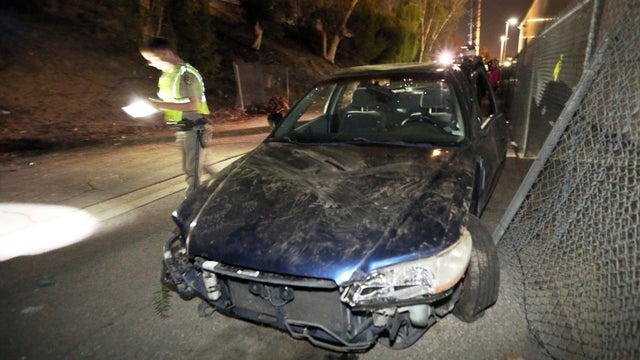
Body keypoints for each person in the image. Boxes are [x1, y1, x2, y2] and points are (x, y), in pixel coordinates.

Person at [139, 37, 211, 196]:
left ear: (166, 53)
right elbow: (171, 103)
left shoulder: (187, 75)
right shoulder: (167, 76)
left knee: (193, 174)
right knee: (192, 168)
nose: (150, 64)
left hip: (195, 128)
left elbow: (194, 105)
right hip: (184, 129)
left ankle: (192, 208)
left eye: (152, 59)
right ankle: (216, 190)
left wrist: (159, 105)